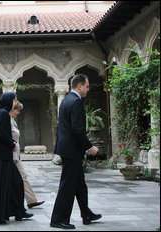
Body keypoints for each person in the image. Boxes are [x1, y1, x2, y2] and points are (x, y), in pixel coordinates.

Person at [50, 74, 101, 229]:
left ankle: (86, 214)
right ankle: (58, 220)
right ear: (80, 86)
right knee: (68, 186)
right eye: (87, 86)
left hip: (68, 149)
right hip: (72, 150)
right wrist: (90, 147)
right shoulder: (76, 102)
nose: (88, 89)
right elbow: (78, 130)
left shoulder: (66, 100)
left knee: (79, 185)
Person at [0, 92, 33, 224]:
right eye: (14, 100)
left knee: (14, 185)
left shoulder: (0, 113)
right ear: (9, 101)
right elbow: (2, 133)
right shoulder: (3, 114)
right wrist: (12, 143)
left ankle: (18, 212)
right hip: (2, 157)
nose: (15, 103)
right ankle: (5, 214)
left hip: (1, 157)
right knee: (13, 184)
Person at [10, 101, 45, 209]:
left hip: (16, 155)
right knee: (15, 179)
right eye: (18, 110)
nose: (19, 112)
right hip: (11, 155)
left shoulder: (12, 120)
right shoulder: (7, 120)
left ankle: (31, 200)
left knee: (23, 177)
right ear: (12, 109)